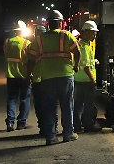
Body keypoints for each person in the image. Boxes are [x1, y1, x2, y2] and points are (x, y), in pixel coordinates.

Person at [27, 10, 81, 146]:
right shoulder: (66, 35)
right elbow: (77, 51)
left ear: (48, 24)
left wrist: (28, 74)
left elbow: (31, 58)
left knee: (49, 107)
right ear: (61, 23)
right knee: (67, 105)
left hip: (47, 77)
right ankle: (68, 133)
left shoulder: (39, 39)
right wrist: (76, 66)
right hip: (65, 76)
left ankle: (51, 136)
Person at [74, 21, 102, 133]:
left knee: (78, 104)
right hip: (86, 80)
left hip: (79, 79)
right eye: (92, 33)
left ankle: (76, 126)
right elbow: (86, 66)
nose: (94, 36)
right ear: (85, 33)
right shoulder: (84, 47)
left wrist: (94, 61)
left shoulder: (81, 44)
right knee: (88, 105)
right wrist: (92, 79)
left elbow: (85, 62)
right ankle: (88, 125)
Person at [3, 20, 32, 131]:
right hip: (24, 75)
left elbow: (6, 54)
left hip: (11, 75)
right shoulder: (27, 43)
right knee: (25, 99)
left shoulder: (7, 42)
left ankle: (10, 123)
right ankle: (21, 123)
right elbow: (30, 59)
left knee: (11, 99)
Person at [28, 25, 47, 136]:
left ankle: (43, 127)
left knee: (39, 105)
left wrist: (27, 75)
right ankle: (51, 126)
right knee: (50, 104)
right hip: (48, 78)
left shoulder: (33, 45)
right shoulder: (49, 44)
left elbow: (30, 60)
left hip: (37, 79)